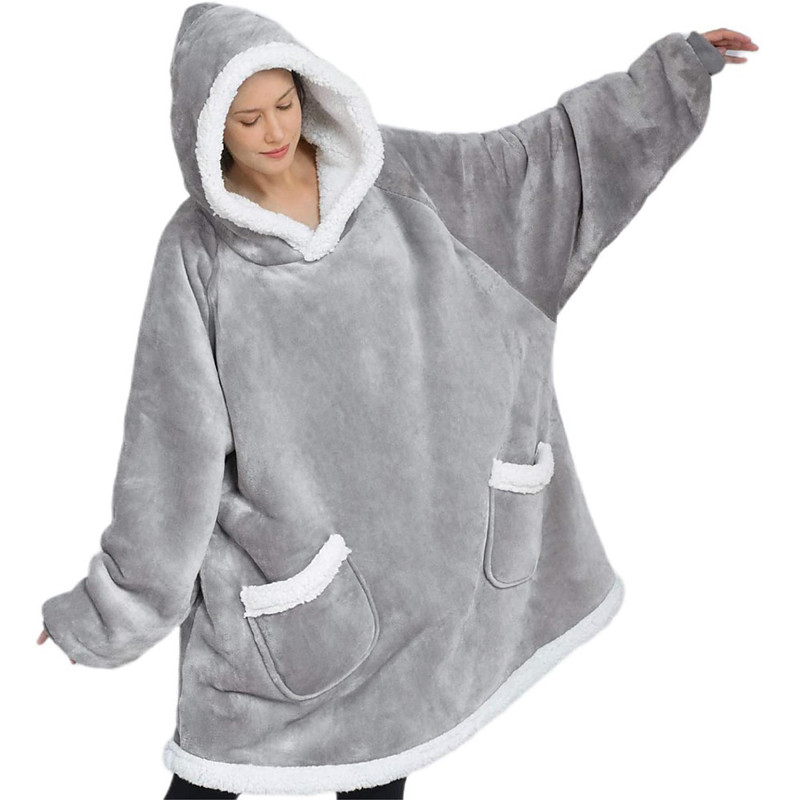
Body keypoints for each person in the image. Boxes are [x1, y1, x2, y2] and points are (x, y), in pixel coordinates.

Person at [37, 2, 757, 798]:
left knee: (383, 762)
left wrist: (673, 76)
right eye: (247, 119)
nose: (274, 132)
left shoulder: (402, 180)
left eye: (285, 104)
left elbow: (548, 165)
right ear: (206, 130)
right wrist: (112, 607)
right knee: (212, 773)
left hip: (424, 584)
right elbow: (169, 450)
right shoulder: (197, 256)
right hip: (300, 585)